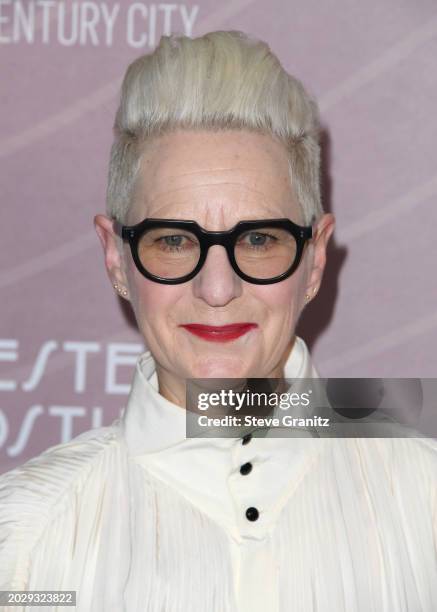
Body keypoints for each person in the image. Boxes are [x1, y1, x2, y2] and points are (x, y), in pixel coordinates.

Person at [1, 30, 437, 612]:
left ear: (315, 258)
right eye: (174, 241)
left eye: (259, 240)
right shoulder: (24, 544)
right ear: (116, 259)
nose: (217, 289)